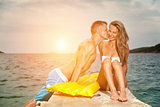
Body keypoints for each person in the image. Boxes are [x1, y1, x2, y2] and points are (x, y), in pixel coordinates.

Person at [24, 20, 108, 107]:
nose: (107, 32)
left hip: (64, 78)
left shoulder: (94, 45)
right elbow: (78, 67)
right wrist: (72, 87)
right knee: (37, 100)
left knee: (41, 99)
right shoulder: (88, 45)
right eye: (105, 29)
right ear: (98, 31)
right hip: (59, 77)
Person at [97, 20, 129, 102]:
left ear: (119, 34)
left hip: (116, 82)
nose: (110, 34)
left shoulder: (124, 47)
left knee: (115, 62)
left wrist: (125, 84)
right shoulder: (102, 44)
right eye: (109, 31)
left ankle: (122, 91)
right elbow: (103, 64)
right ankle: (113, 92)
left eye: (114, 32)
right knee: (107, 61)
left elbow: (124, 66)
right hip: (104, 82)